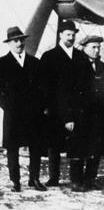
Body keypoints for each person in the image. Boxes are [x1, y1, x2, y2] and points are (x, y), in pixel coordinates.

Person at [61, 35, 104, 191]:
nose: (97, 50)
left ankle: (90, 179)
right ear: (84, 47)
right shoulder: (74, 65)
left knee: (96, 149)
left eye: (98, 47)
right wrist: (68, 117)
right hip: (80, 116)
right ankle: (76, 180)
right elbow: (66, 93)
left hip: (97, 116)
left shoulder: (102, 67)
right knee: (78, 148)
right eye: (93, 47)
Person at [0, 27, 47, 192]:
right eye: (15, 41)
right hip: (13, 114)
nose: (19, 43)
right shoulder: (2, 63)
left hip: (34, 114)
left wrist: (41, 107)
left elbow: (43, 88)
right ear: (9, 43)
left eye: (21, 40)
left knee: (36, 146)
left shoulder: (35, 63)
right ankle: (15, 181)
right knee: (13, 147)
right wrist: (7, 105)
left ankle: (34, 179)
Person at [40, 19, 84, 187]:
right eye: (68, 35)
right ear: (60, 35)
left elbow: (85, 84)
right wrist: (47, 107)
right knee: (54, 144)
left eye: (73, 35)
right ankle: (54, 177)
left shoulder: (80, 57)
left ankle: (76, 180)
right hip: (55, 108)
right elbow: (44, 86)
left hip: (76, 108)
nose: (71, 38)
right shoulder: (49, 56)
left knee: (76, 145)